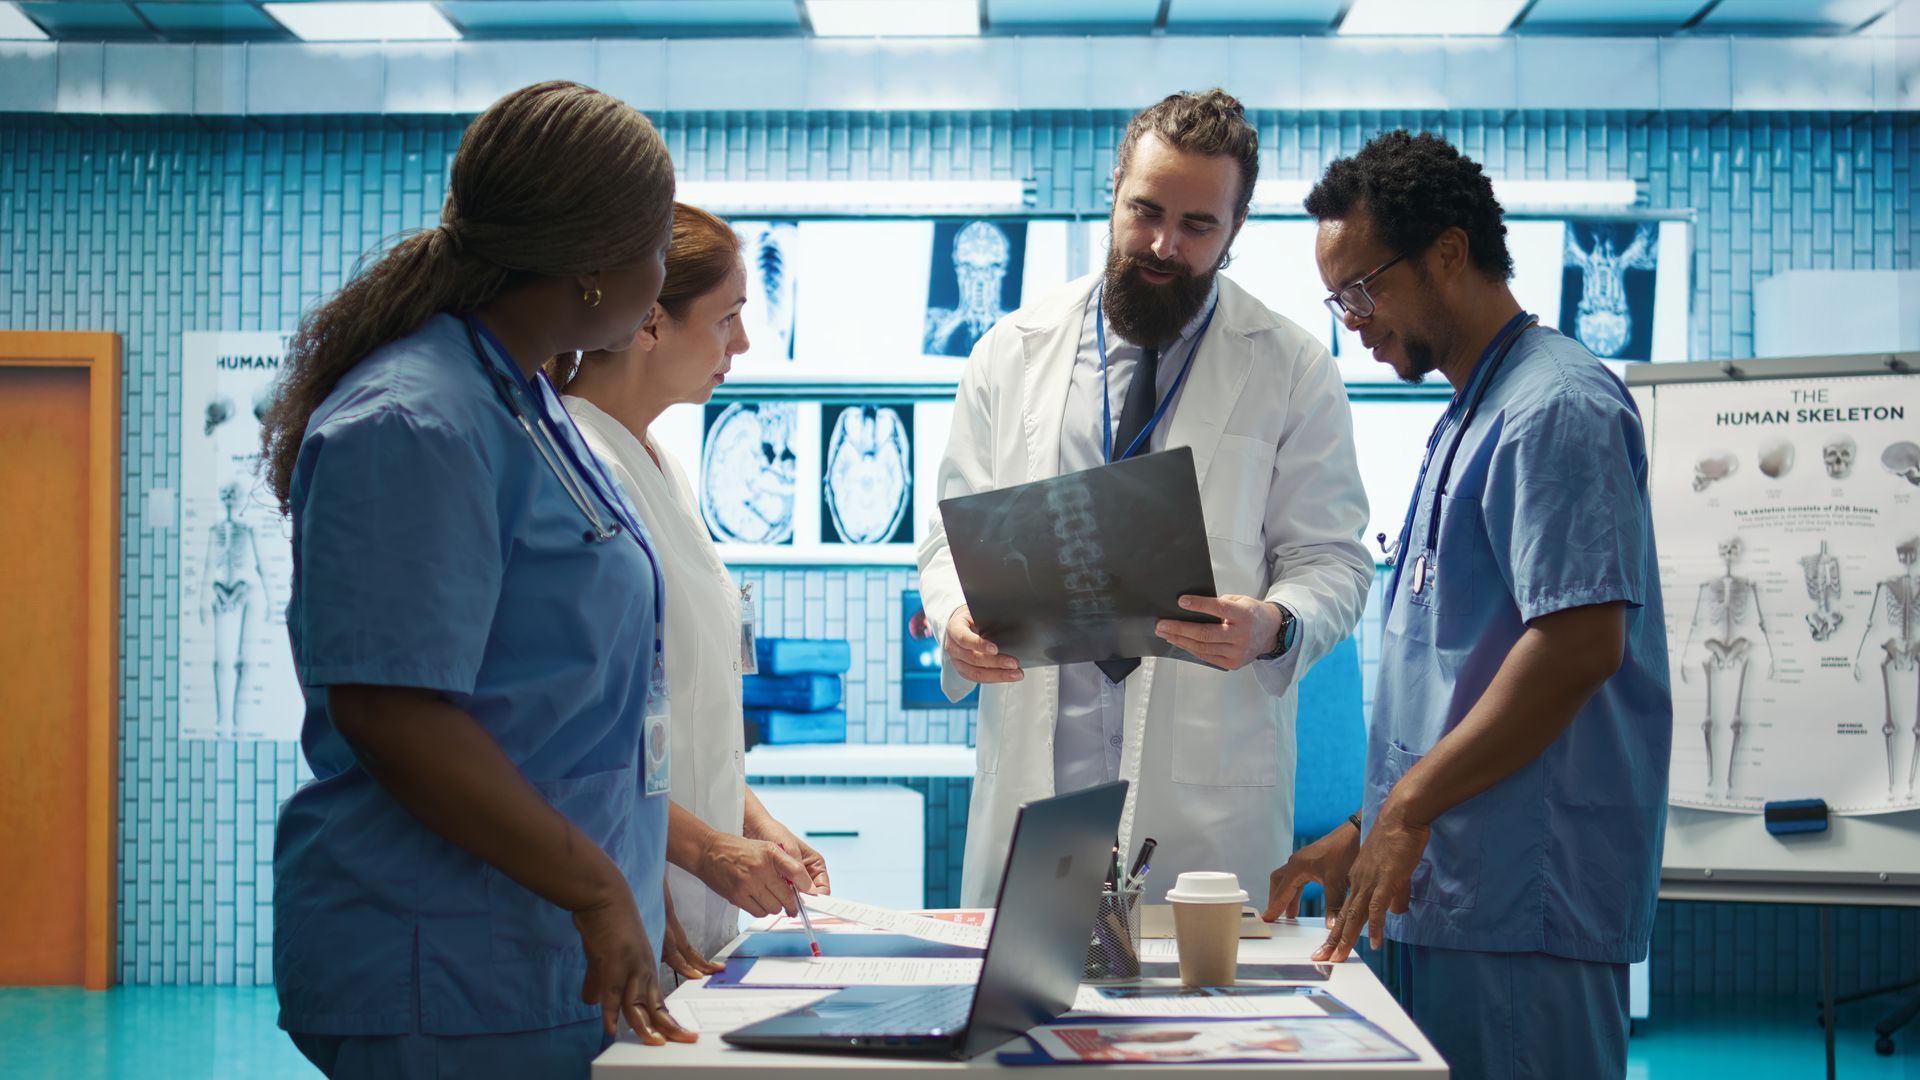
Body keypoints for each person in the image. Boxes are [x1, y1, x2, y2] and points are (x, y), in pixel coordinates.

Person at [262, 81, 695, 1078]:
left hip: (530, 952)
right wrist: (594, 889)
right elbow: (391, 710)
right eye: (657, 247)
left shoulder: (527, 400)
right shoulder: (413, 423)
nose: (662, 273)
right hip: (445, 957)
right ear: (593, 268)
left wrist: (636, 876)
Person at [1265, 130, 1672, 1080]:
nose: (1353, 322)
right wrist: (1365, 830)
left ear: (1449, 253)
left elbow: (1577, 647)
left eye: (1362, 291)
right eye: (1339, 301)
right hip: (1448, 894)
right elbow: (1463, 671)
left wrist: (1407, 808)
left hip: (1522, 908)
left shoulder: (1556, 408)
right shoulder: (1467, 417)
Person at [917, 89, 1373, 906]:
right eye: (1146, 211)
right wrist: (956, 616)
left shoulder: (1293, 368)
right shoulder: (1011, 351)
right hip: (1042, 773)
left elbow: (1331, 558)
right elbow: (949, 535)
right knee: (1032, 1019)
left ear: (1236, 231)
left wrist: (1274, 625)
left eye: (1199, 226)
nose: (1164, 244)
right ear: (1115, 190)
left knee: (1200, 1027)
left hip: (1205, 788)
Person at [550, 202, 833, 982]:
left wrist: (753, 821)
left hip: (695, 895)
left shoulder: (661, 467)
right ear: (648, 323)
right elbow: (574, 739)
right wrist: (706, 847)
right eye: (727, 319)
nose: (742, 343)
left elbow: (677, 710)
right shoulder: (579, 473)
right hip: (627, 893)